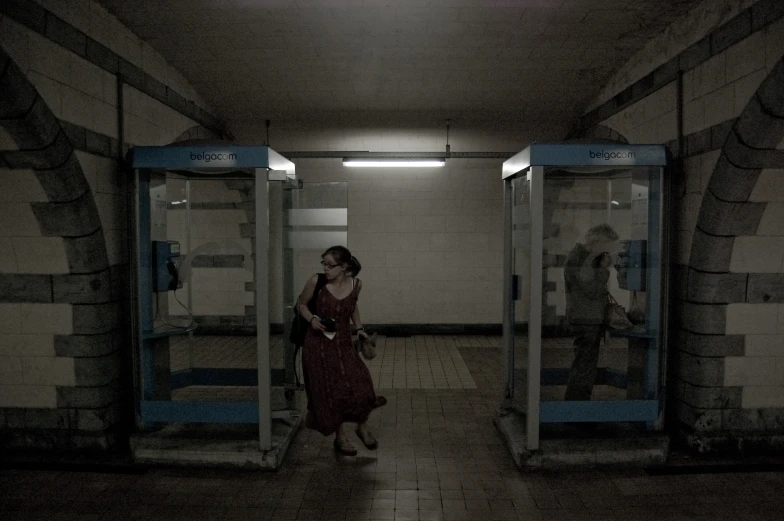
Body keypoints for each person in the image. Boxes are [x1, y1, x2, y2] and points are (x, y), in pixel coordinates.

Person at [296, 245, 385, 455]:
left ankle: (361, 426)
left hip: (344, 342)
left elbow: (352, 305)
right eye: (323, 263)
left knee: (361, 383)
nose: (325, 268)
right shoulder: (316, 281)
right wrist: (313, 319)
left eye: (330, 265)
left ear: (344, 267)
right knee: (331, 391)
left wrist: (360, 329)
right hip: (318, 345)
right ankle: (341, 438)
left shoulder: (356, 285)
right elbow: (301, 304)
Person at [563, 224, 619, 401]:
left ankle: (576, 406)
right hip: (587, 319)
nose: (607, 251)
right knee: (585, 368)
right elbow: (592, 290)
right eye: (606, 246)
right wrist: (603, 269)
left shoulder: (579, 256)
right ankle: (577, 409)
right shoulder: (582, 259)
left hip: (583, 317)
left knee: (582, 365)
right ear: (596, 241)